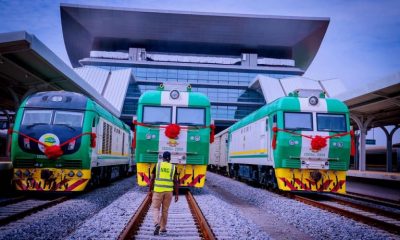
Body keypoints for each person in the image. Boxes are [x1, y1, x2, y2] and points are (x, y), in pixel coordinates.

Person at [149, 151, 179, 236]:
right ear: (169, 158)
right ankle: (163, 228)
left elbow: (152, 179)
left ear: (162, 158)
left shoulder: (157, 165)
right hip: (169, 192)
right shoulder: (173, 167)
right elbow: (176, 181)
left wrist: (149, 191)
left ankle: (156, 223)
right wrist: (176, 194)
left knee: (155, 208)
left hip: (158, 190)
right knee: (165, 210)